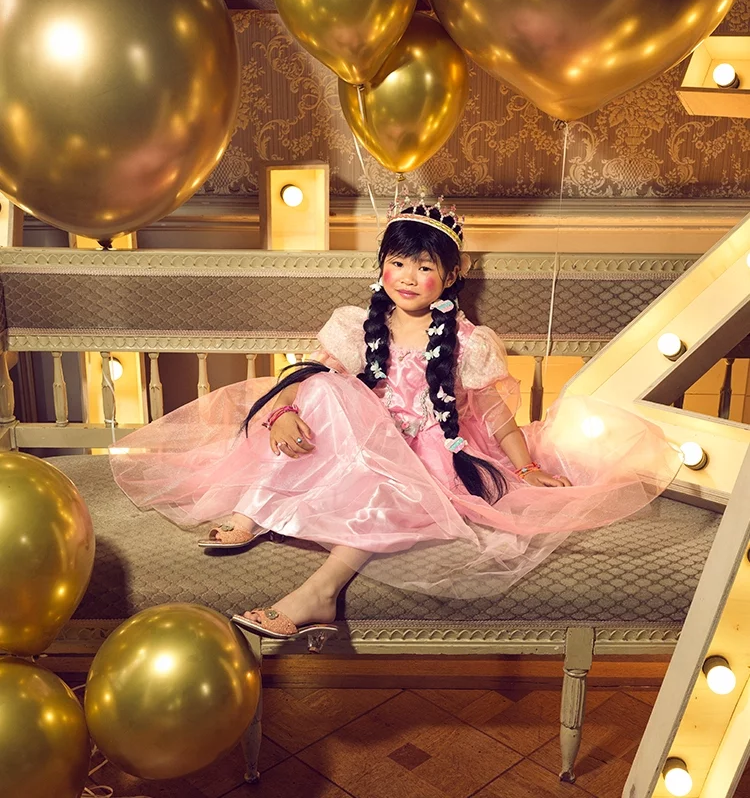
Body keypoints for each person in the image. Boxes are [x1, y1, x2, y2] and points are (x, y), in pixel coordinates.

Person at [111, 196, 682, 642]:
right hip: (355, 443)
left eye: (424, 267)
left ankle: (319, 593)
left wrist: (527, 468)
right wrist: (283, 411)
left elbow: (496, 417)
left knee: (386, 490)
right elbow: (311, 380)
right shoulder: (358, 326)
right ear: (381, 267)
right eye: (397, 263)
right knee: (325, 385)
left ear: (451, 277)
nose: (407, 276)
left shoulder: (468, 343)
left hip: (425, 455)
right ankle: (257, 510)